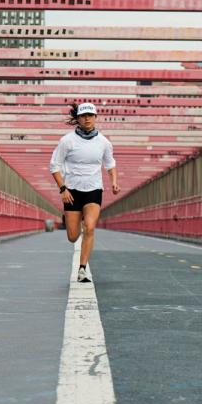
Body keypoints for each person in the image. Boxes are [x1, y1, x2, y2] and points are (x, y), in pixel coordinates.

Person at [49, 102, 119, 283]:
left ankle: (82, 269)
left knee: (90, 227)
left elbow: (110, 164)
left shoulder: (104, 142)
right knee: (73, 236)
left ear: (95, 117)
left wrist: (114, 182)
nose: (87, 118)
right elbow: (54, 166)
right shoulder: (67, 141)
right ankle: (77, 221)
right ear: (78, 118)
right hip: (71, 191)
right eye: (83, 115)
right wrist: (62, 188)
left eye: (90, 115)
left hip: (93, 189)